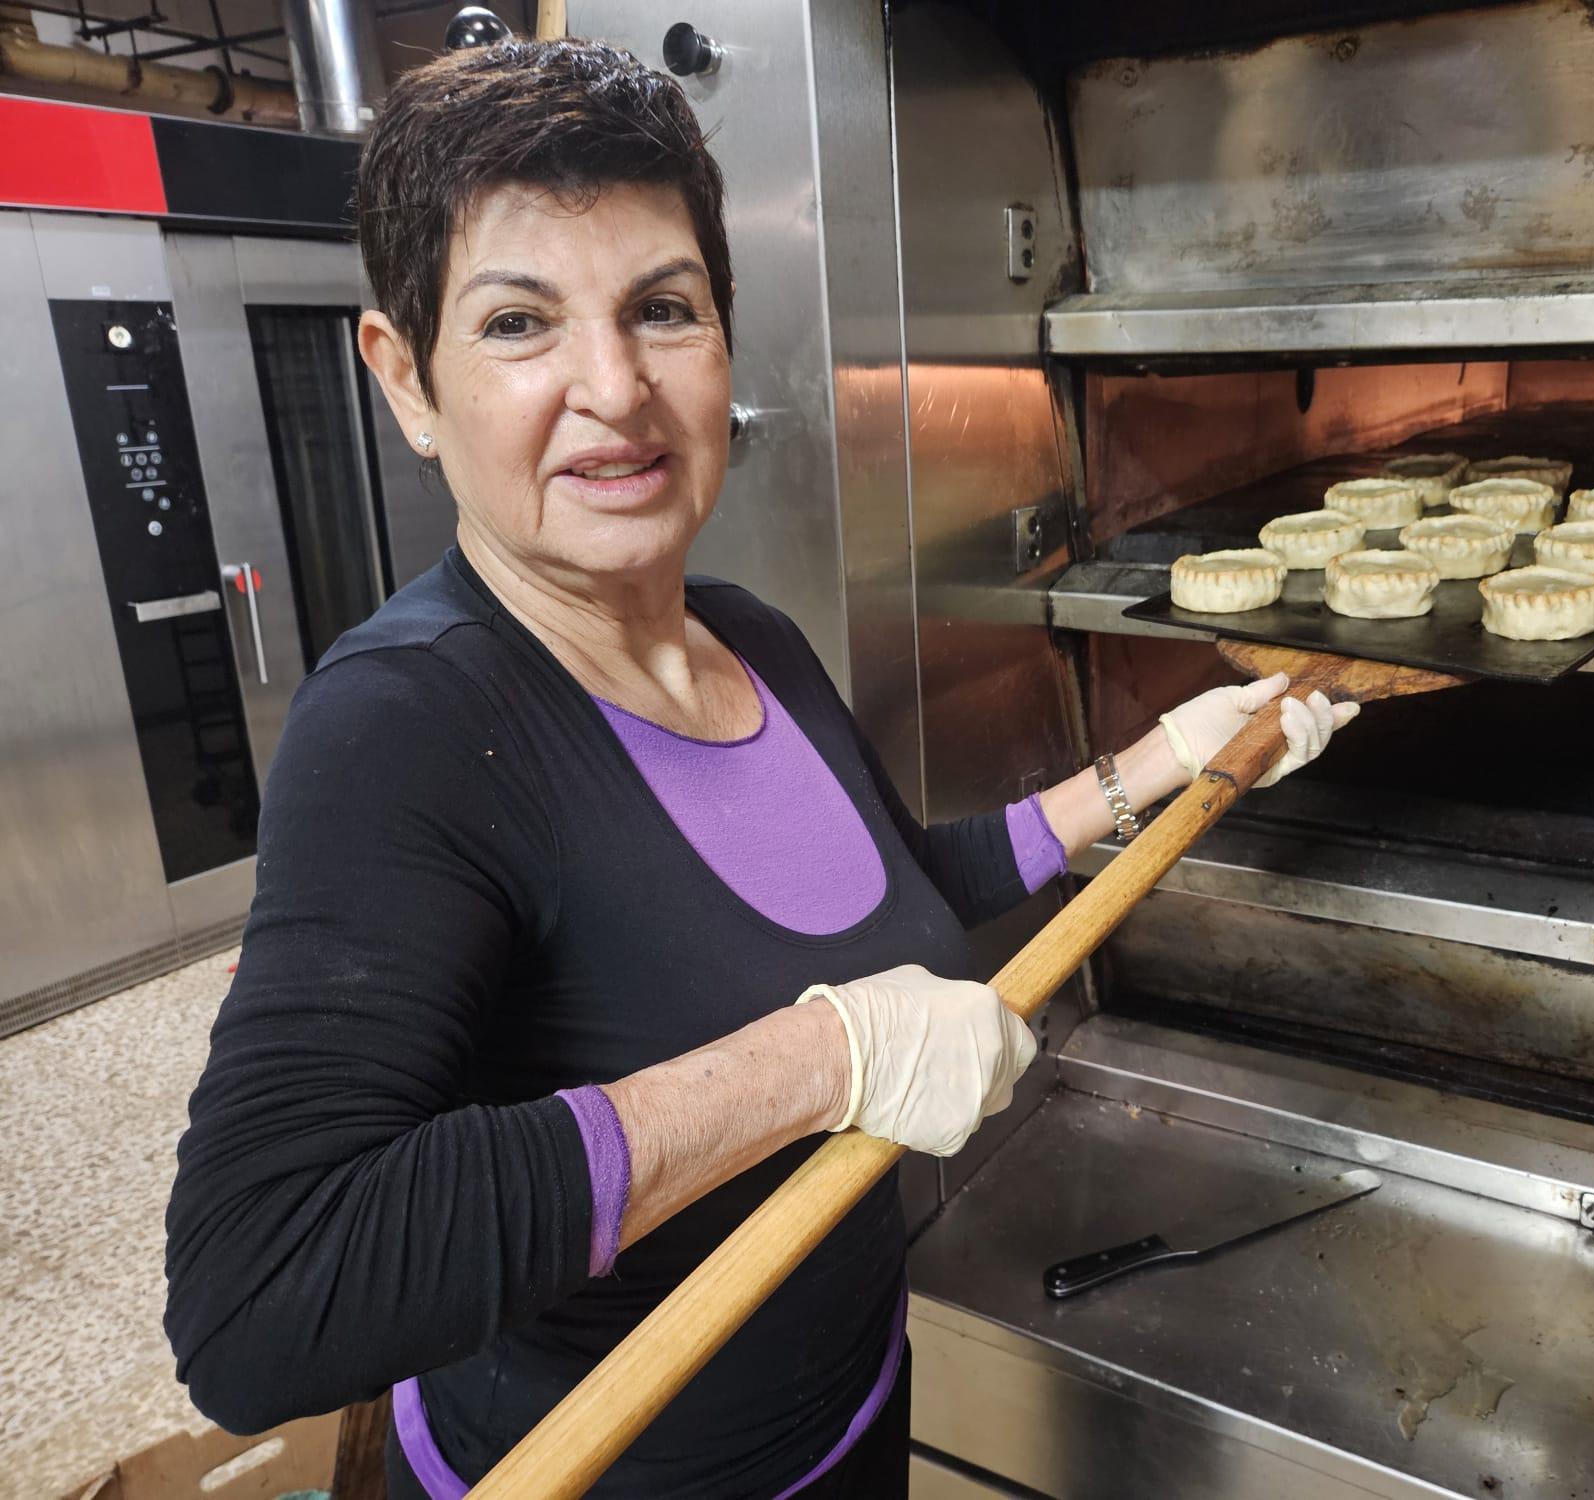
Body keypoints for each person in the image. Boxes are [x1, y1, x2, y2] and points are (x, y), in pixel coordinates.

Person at [162, 39, 1353, 1499]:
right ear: (406, 379)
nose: (614, 388)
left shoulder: (749, 639)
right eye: (520, 322)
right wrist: (815, 1064)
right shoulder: (408, 726)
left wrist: (1156, 763)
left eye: (662, 309)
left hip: (851, 1431)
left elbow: (896, 900)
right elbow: (261, 1291)